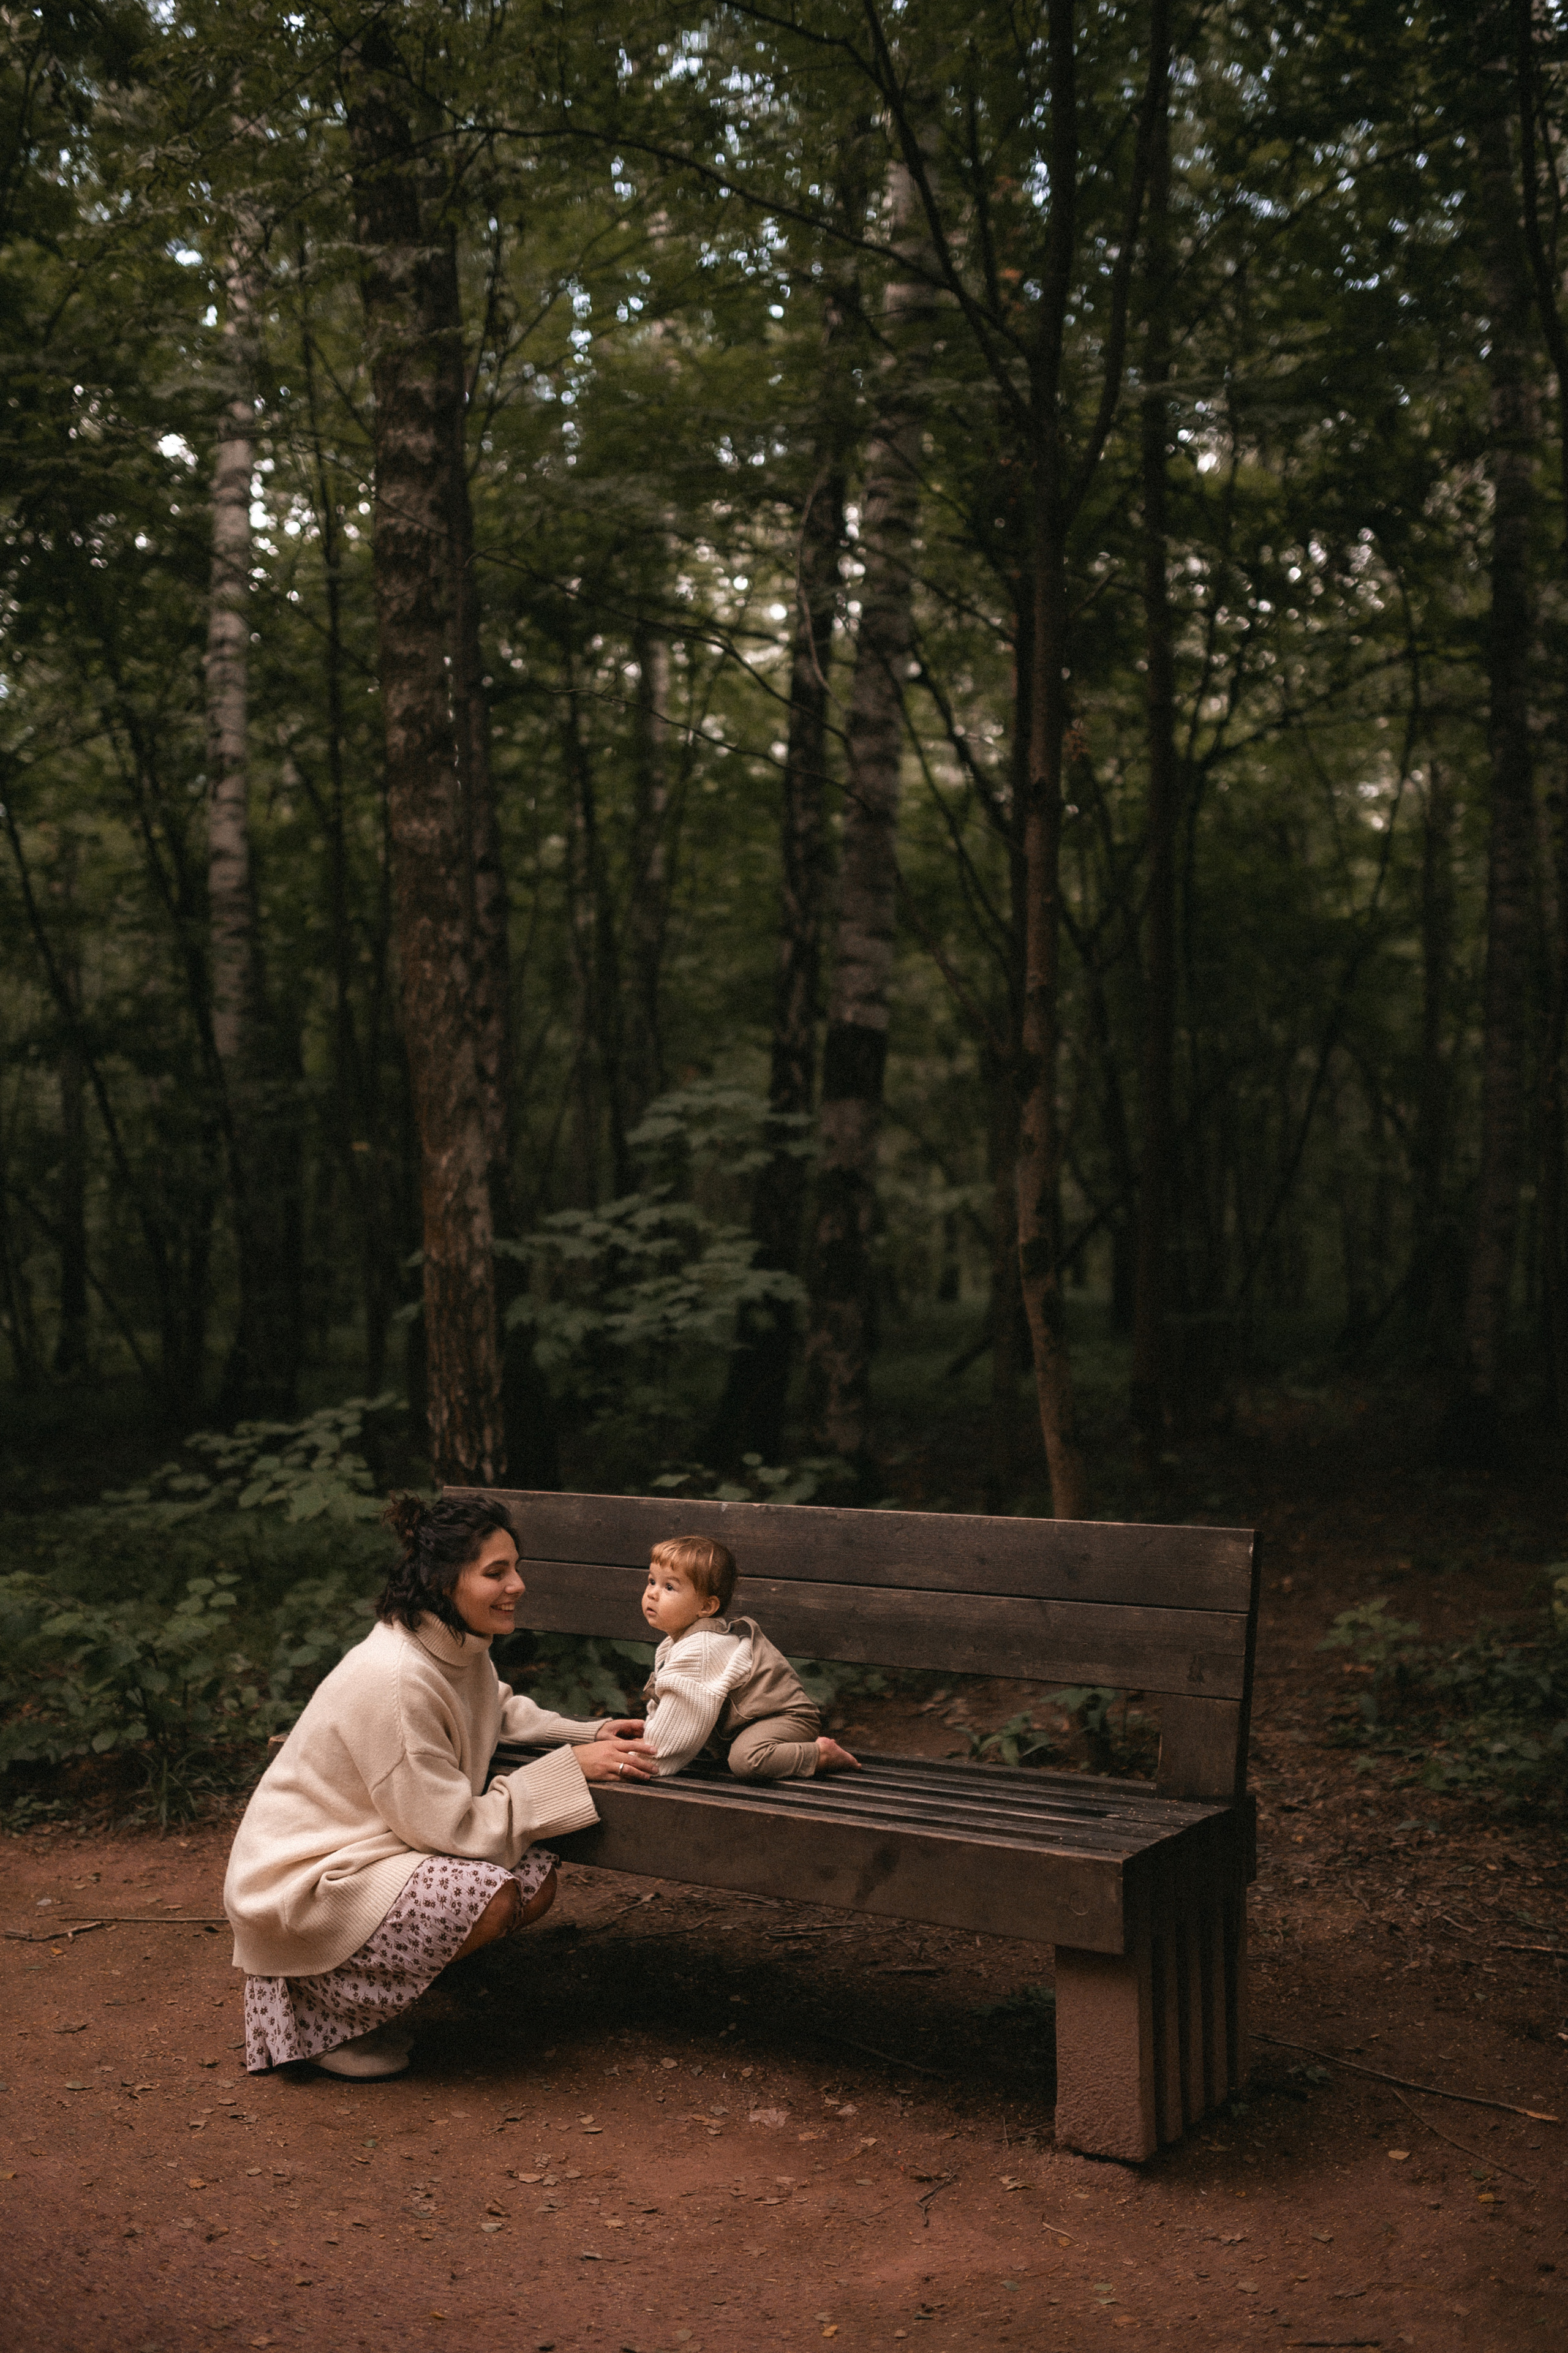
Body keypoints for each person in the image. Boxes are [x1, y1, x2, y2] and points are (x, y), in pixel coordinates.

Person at [223, 1493, 656, 2080]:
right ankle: (328, 2018)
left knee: (534, 1876)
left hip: (372, 1847)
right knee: (494, 1893)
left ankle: (384, 1989)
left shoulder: (451, 1646)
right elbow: (452, 1830)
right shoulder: (397, 1677)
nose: (517, 1585)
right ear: (441, 1581)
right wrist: (571, 1768)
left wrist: (590, 1730)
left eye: (515, 1567)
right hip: (304, 1882)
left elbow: (493, 1709)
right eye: (495, 1573)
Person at [638, 1534, 861, 1780]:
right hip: (743, 1724)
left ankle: (821, 1755)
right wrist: (647, 1739)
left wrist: (646, 1762)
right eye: (651, 1582)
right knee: (726, 1753)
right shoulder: (674, 1645)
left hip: (783, 1716)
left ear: (706, 1607)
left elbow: (681, 1717)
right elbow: (667, 1705)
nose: (653, 1594)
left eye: (669, 1587)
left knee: (747, 1761)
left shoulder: (701, 1649)